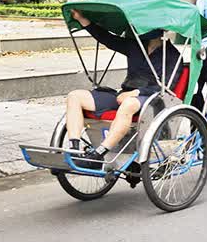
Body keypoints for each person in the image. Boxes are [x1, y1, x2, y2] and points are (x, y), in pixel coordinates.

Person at [65, 10, 181, 169]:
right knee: (75, 96)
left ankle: (99, 153)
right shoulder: (136, 46)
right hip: (124, 94)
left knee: (129, 104)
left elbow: (167, 87)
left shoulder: (172, 55)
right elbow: (107, 39)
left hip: (152, 99)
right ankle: (74, 150)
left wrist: (137, 93)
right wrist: (83, 20)